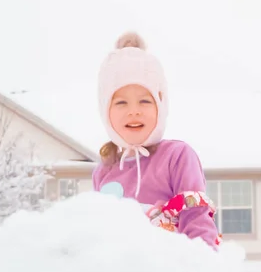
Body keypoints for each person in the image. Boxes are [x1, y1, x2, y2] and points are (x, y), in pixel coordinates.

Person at [91, 31, 221, 249]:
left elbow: (196, 219)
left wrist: (204, 266)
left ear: (161, 105)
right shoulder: (103, 172)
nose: (134, 111)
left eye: (144, 101)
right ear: (105, 110)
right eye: (121, 103)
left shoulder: (176, 157)